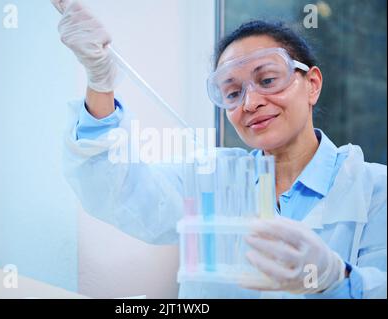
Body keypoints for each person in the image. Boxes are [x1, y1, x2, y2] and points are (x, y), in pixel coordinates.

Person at [54, 0, 387, 298]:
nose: (251, 102)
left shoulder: (374, 190)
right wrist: (100, 82)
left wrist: (336, 279)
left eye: (268, 80)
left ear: (312, 84)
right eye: (232, 92)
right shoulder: (210, 179)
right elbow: (114, 189)